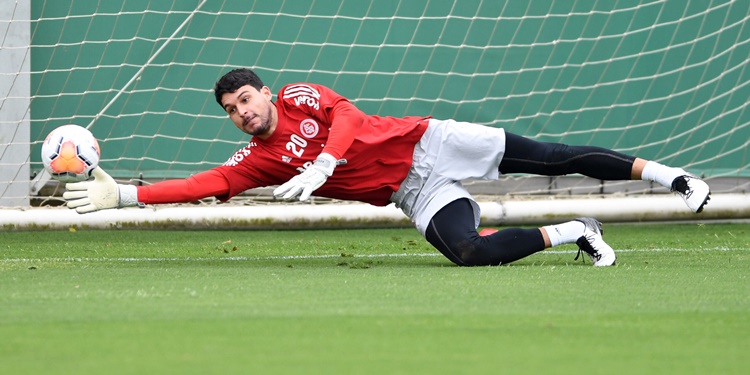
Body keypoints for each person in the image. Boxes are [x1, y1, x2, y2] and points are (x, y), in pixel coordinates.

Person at [63, 68, 711, 267]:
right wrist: (126, 194)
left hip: (431, 143)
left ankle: (672, 176)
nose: (242, 113)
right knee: (468, 253)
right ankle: (577, 231)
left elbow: (346, 116)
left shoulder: (297, 96)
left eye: (244, 100)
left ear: (262, 92)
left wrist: (324, 162)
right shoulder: (257, 159)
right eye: (232, 110)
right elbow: (206, 184)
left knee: (552, 157)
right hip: (412, 189)